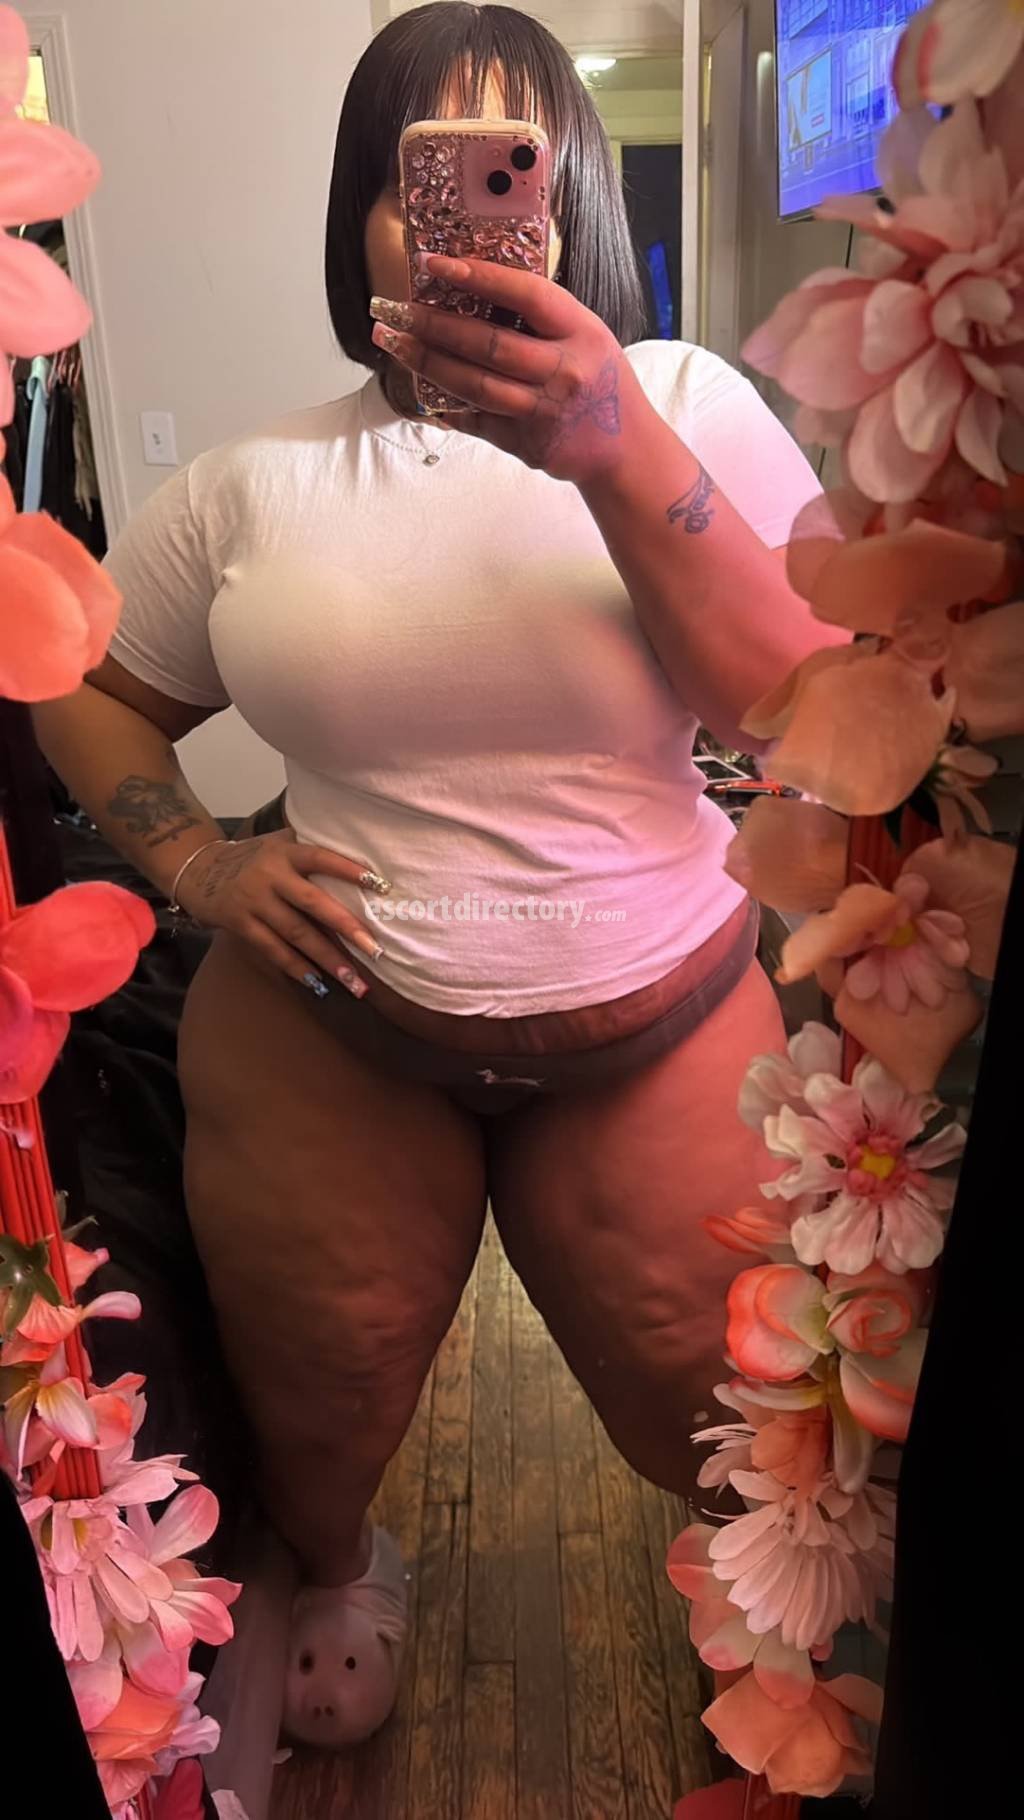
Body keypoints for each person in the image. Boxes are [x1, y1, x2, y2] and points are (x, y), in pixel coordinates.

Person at [34, 3, 844, 1750]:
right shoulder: (254, 479)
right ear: (363, 217)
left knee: (724, 1413)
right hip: (331, 1030)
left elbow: (797, 705)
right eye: (415, 175)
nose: (456, 217)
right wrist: (195, 863)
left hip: (659, 1011)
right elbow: (88, 688)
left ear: (570, 200)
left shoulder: (688, 403)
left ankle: (766, 1631)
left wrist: (610, 444)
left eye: (506, 165)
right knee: (316, 1395)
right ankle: (338, 1565)